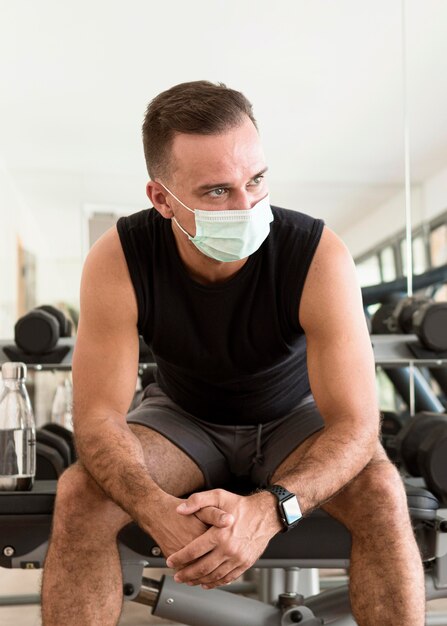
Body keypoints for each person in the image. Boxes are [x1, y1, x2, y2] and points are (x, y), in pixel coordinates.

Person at [41, 80, 425, 626]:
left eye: (256, 180)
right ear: (161, 200)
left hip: (295, 416)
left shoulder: (317, 254)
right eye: (217, 191)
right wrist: (155, 512)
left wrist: (269, 512)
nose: (247, 205)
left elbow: (358, 423)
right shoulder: (119, 259)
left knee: (383, 490)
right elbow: (98, 417)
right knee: (81, 493)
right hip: (183, 419)